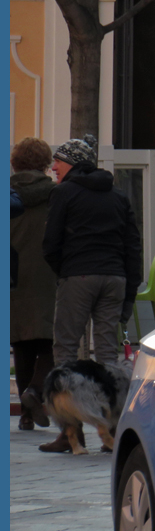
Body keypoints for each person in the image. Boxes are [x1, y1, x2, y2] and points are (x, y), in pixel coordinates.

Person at [40, 133, 142, 452]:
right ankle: (110, 429)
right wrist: (128, 290)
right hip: (115, 278)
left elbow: (51, 243)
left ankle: (71, 432)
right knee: (107, 353)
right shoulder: (118, 195)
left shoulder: (65, 193)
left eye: (58, 160)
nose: (53, 166)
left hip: (78, 275)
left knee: (67, 349)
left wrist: (66, 270)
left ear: (71, 163)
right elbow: (132, 247)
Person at [10, 138, 58, 431]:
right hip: (48, 274)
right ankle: (36, 392)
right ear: (45, 164)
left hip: (14, 276)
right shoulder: (57, 195)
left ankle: (26, 415)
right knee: (51, 341)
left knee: (22, 343)